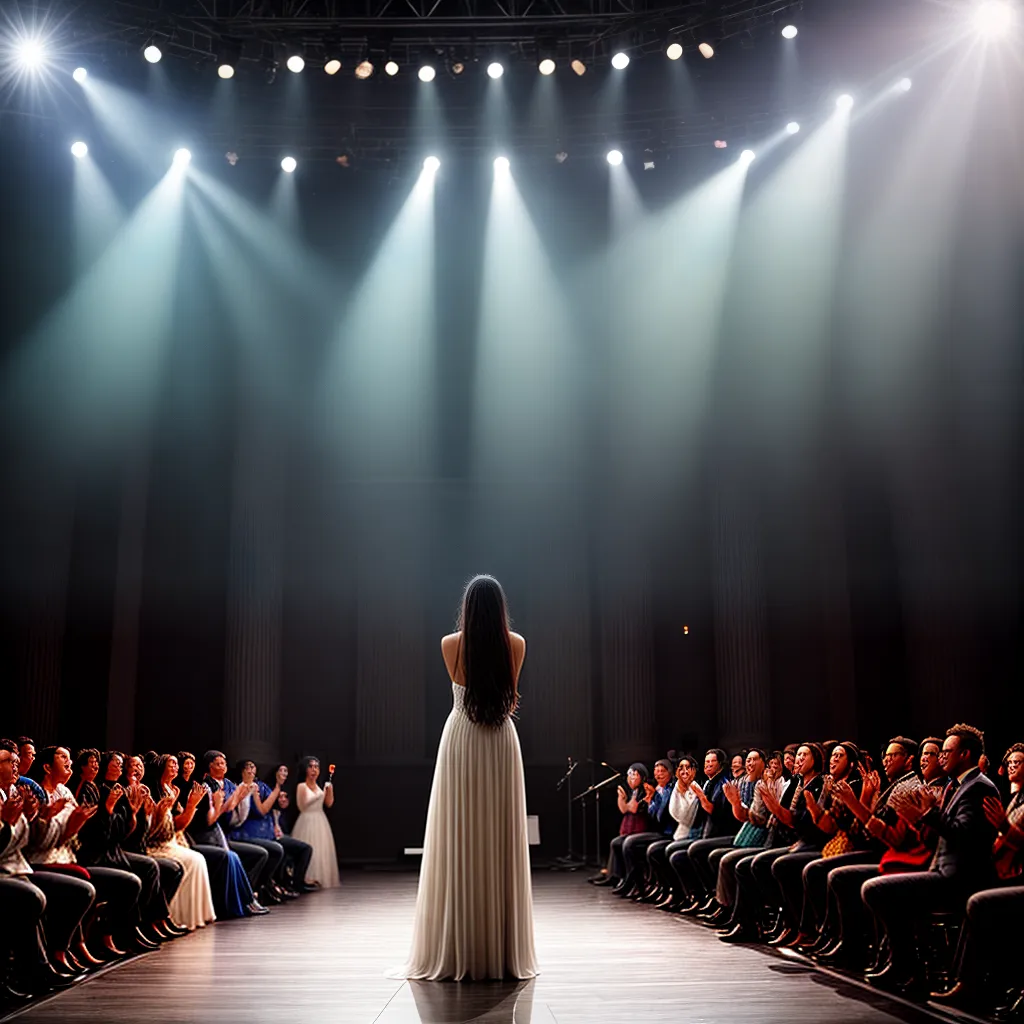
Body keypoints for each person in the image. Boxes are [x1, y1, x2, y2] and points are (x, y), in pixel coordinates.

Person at [394, 574, 537, 981]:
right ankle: (500, 949)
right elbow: (507, 694)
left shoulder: (449, 644)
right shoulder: (518, 644)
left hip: (461, 738)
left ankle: (459, 942)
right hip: (500, 740)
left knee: (460, 836)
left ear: (467, 608)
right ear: (501, 607)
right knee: (498, 836)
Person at [143, 754, 216, 931]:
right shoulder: (154, 790)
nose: (176, 767)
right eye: (172, 764)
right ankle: (175, 914)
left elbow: (178, 825)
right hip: (157, 844)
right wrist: (189, 806)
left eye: (177, 764)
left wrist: (191, 805)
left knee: (197, 859)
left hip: (172, 840)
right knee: (193, 861)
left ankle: (193, 915)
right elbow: (160, 829)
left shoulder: (173, 789)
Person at [291, 755, 339, 889]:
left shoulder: (319, 786)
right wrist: (321, 794)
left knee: (321, 850)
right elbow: (302, 805)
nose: (314, 770)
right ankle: (304, 879)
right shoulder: (301, 786)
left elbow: (328, 803)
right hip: (307, 820)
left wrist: (329, 791)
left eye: (316, 767)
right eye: (311, 767)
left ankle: (319, 879)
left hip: (320, 819)